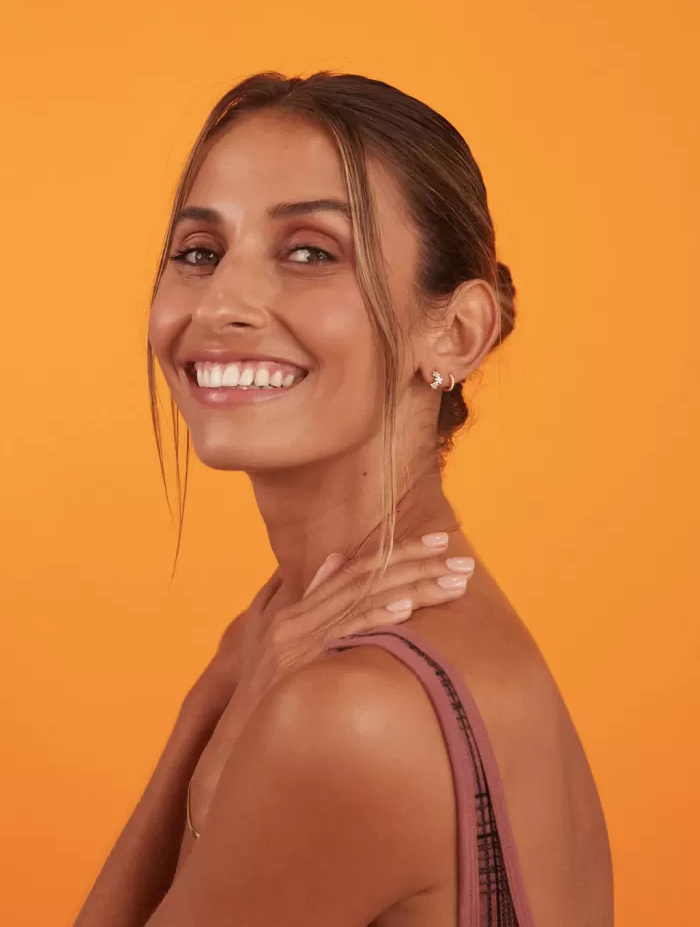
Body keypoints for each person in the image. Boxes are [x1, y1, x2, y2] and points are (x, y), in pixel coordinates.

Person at [73, 72, 613, 927]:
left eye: (310, 253)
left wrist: (229, 734)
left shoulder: (351, 713)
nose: (221, 304)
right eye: (199, 253)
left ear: (456, 334)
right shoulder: (293, 633)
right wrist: (221, 696)